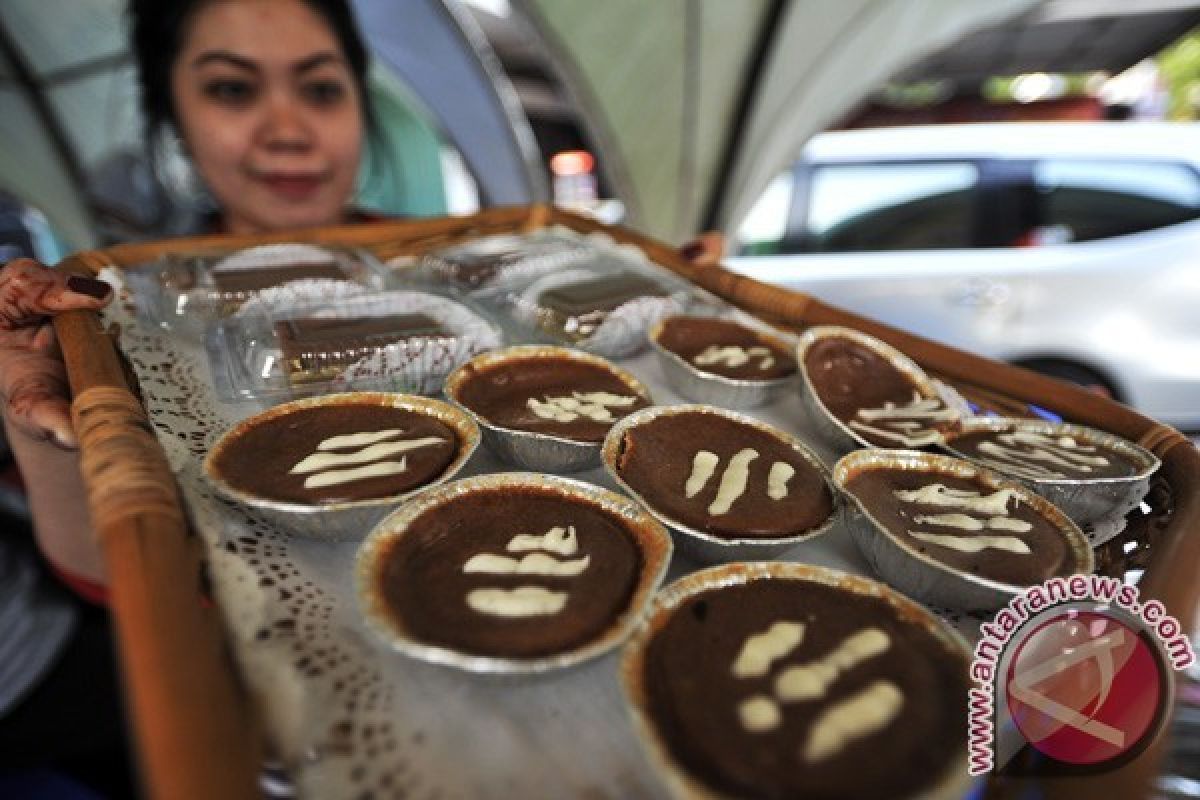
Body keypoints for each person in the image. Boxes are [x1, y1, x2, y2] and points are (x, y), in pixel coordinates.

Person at [0, 1, 379, 795]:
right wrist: (43, 422)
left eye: (320, 89)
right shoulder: (124, 315)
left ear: (360, 103)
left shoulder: (484, 270)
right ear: (174, 113)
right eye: (233, 91)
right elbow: (106, 574)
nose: (287, 128)